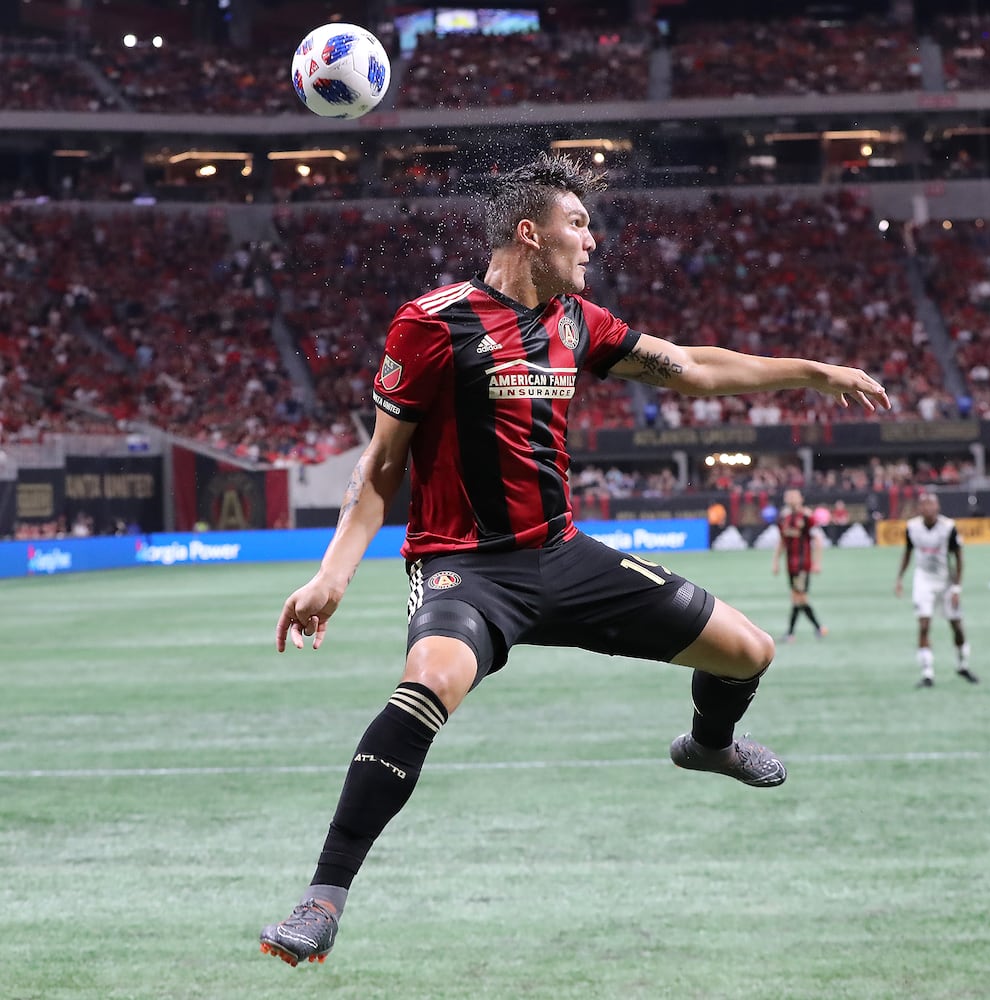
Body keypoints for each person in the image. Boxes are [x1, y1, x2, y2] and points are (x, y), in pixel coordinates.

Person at [260, 153, 891, 967]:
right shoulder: (431, 323)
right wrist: (333, 574)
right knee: (429, 683)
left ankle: (706, 745)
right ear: (530, 234)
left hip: (563, 557)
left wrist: (814, 372)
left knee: (749, 653)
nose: (591, 241)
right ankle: (323, 898)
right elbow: (381, 469)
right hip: (467, 568)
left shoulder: (575, 322)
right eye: (578, 225)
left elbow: (692, 366)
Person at [894, 492, 978, 688]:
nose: (928, 508)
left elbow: (959, 558)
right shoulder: (912, 527)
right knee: (923, 625)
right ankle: (927, 673)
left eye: (931, 504)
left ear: (938, 507)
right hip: (923, 579)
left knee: (956, 625)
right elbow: (907, 553)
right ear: (919, 508)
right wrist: (899, 578)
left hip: (945, 580)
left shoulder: (948, 528)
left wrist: (956, 588)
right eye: (924, 505)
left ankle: (962, 665)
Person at [771, 489, 827, 641]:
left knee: (799, 598)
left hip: (803, 564)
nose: (791, 498)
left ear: (801, 498)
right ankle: (816, 629)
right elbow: (782, 542)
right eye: (788, 495)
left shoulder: (807, 517)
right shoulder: (784, 518)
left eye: (794, 496)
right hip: (790, 565)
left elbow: (818, 540)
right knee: (797, 599)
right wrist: (775, 561)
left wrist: (817, 563)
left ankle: (792, 633)